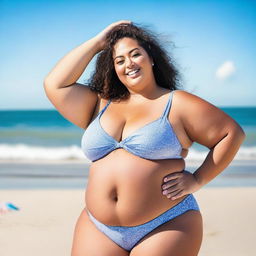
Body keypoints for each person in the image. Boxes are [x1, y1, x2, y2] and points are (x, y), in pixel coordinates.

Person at [44, 20, 245, 256]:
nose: (128, 64)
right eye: (119, 60)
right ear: (113, 68)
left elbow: (231, 134)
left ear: (150, 57)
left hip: (166, 223)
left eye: (135, 54)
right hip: (98, 226)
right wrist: (99, 42)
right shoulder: (99, 105)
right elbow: (55, 84)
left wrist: (198, 179)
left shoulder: (176, 103)